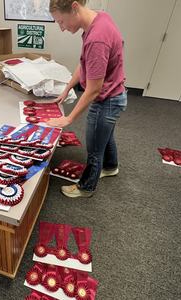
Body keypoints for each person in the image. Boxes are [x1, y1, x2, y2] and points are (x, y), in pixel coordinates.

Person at [47, 0, 127, 198]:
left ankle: (86, 187)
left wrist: (69, 118)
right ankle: (111, 167)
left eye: (62, 22)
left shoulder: (96, 38)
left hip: (106, 100)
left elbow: (93, 89)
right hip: (115, 95)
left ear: (74, 8)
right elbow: (84, 63)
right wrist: (67, 88)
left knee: (94, 149)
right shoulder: (99, 19)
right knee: (106, 137)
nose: (62, 28)